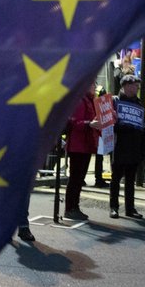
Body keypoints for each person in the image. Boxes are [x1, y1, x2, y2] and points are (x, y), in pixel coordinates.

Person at [109, 73, 145, 219]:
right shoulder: (115, 101)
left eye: (137, 86)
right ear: (125, 86)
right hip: (119, 144)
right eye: (133, 86)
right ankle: (114, 207)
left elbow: (142, 123)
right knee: (116, 178)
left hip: (134, 145)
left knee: (130, 180)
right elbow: (111, 123)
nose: (136, 88)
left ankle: (130, 209)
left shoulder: (139, 103)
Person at [63, 82, 99, 221]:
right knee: (75, 178)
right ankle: (70, 208)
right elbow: (74, 122)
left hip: (86, 144)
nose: (95, 87)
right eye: (92, 85)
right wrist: (89, 124)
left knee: (79, 179)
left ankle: (74, 207)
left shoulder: (90, 100)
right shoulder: (80, 100)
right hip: (78, 145)